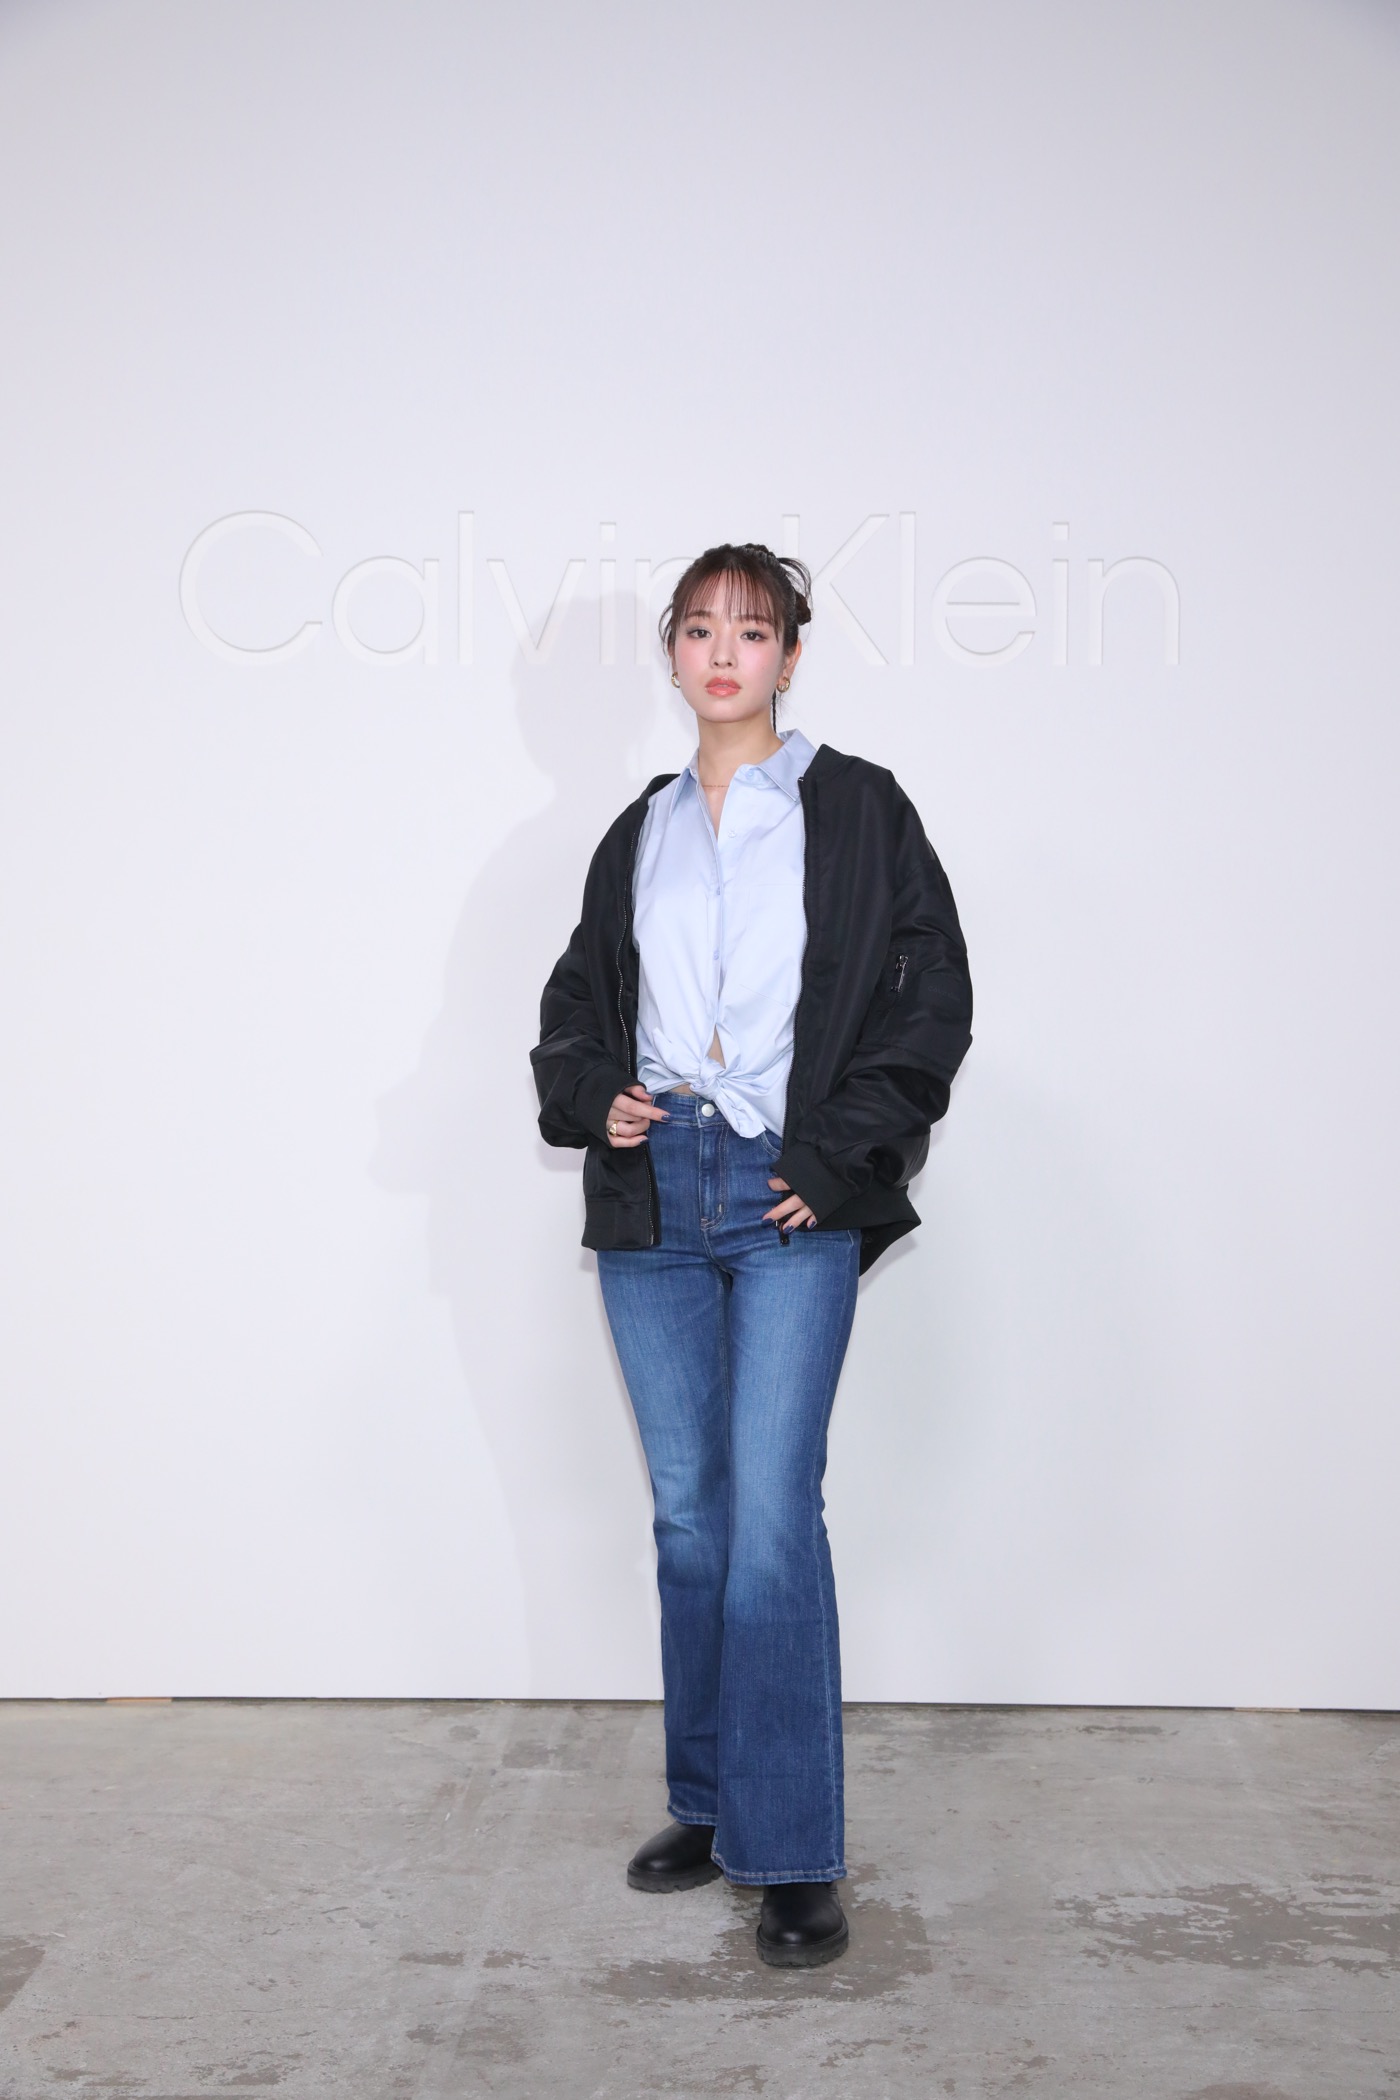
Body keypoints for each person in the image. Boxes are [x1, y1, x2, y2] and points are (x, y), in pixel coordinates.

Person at [530, 542, 973, 1967]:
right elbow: (575, 1005)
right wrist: (593, 1091)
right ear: (672, 654)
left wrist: (838, 1160)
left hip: (788, 1190)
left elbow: (931, 997)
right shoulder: (638, 832)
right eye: (701, 629)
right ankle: (711, 1800)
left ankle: (789, 1850)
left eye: (755, 629)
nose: (726, 652)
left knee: (774, 1517)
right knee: (689, 1517)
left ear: (790, 654)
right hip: (657, 1187)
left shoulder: (858, 810)